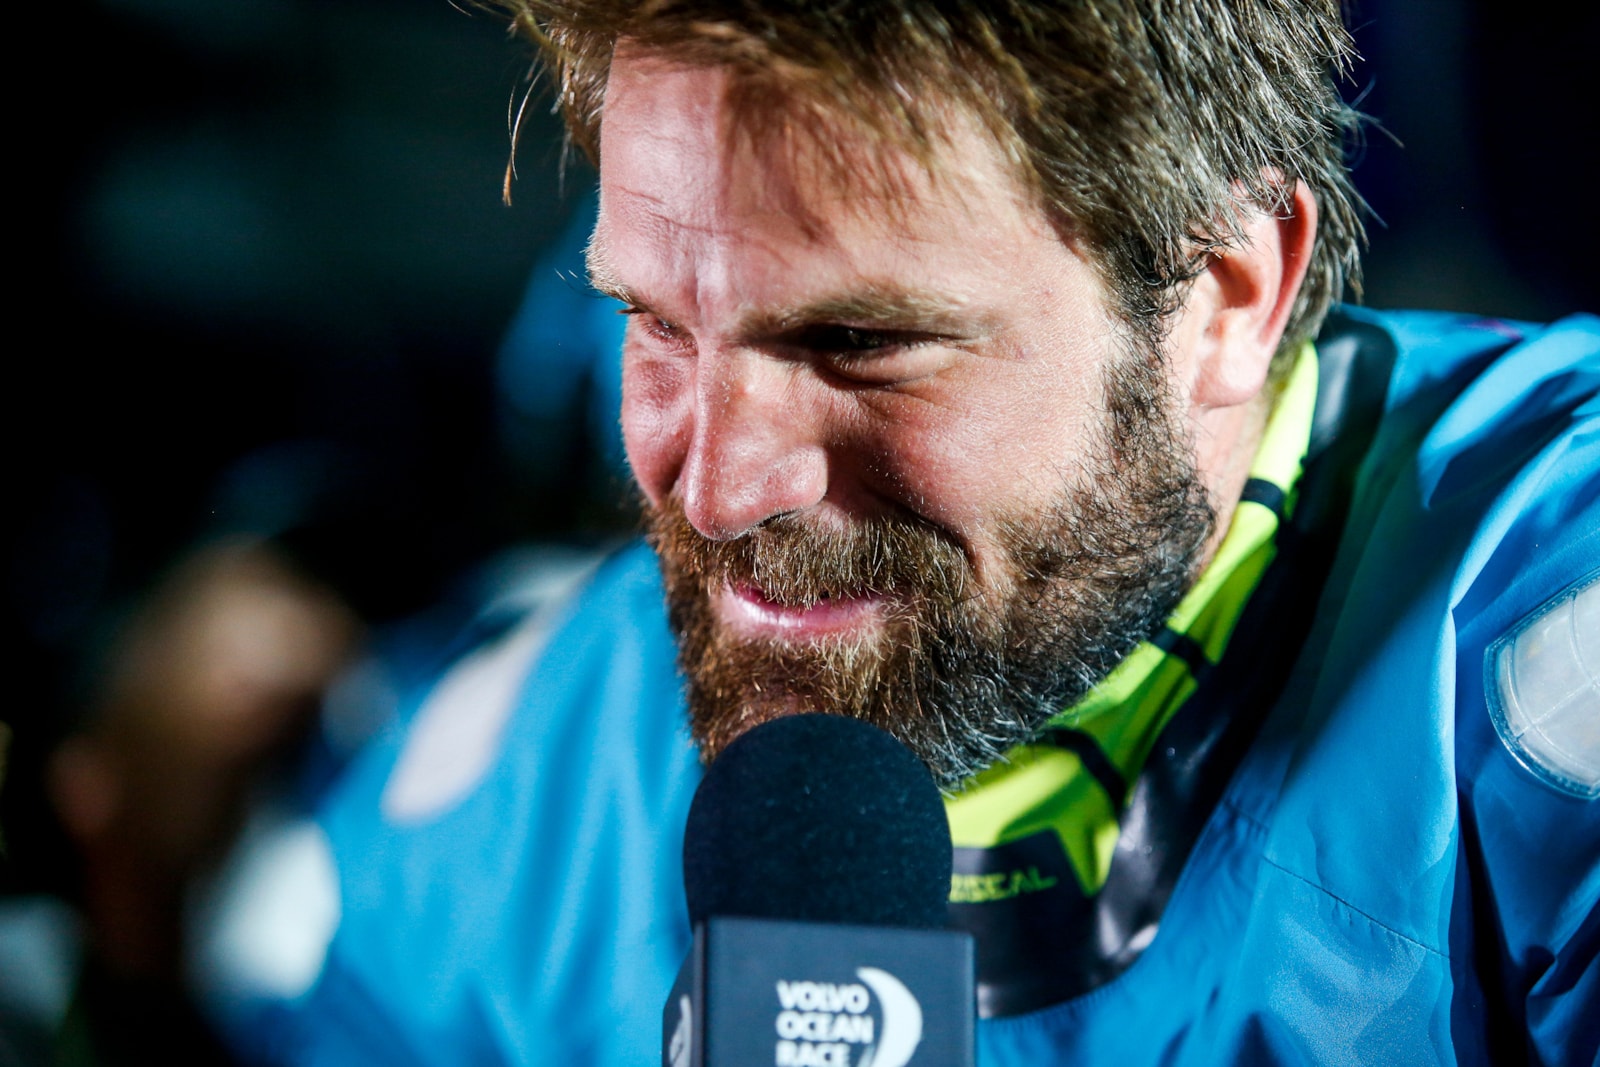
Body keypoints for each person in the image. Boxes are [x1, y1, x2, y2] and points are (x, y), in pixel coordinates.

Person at [194, 2, 1598, 1064]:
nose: (718, 491)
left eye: (861, 342)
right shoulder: (535, 791)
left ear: (1228, 296)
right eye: (655, 323)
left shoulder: (1545, 623)